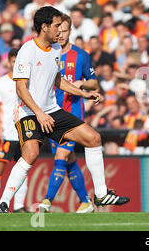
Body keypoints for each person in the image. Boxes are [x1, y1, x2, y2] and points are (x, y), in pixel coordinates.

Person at [0, 6, 129, 213]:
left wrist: (82, 93)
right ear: (44, 27)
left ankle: (101, 194)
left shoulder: (56, 49)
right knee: (31, 153)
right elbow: (21, 88)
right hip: (28, 113)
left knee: (93, 139)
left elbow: (57, 79)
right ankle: (2, 204)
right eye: (57, 26)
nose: (60, 31)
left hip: (51, 110)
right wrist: (39, 113)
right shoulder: (27, 50)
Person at [38, 14, 98, 213]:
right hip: (52, 114)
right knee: (69, 159)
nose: (60, 34)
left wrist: (82, 83)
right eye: (58, 30)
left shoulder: (81, 55)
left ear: (70, 31)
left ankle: (46, 202)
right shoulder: (48, 54)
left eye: (64, 31)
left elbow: (94, 82)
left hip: (73, 115)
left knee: (61, 157)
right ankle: (85, 201)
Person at [0, 48, 28, 213]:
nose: (16, 63)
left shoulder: (27, 82)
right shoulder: (1, 83)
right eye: (13, 60)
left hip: (23, 133)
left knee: (23, 169)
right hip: (5, 134)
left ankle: (18, 206)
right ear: (10, 62)